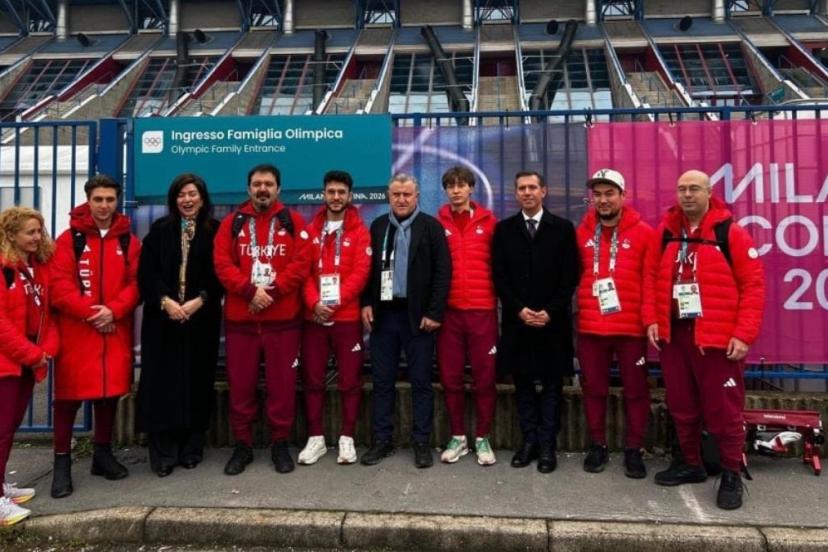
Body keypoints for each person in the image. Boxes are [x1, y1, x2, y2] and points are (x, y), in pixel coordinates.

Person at [644, 169, 765, 510]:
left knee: (724, 409)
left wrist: (743, 334)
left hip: (716, 339)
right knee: (682, 404)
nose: (687, 195)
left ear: (709, 192)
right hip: (675, 334)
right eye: (682, 188)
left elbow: (753, 286)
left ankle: (731, 472)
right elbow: (650, 276)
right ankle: (691, 462)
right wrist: (651, 319)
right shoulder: (666, 232)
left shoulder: (731, 233)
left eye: (694, 188)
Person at [213, 163, 312, 475]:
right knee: (241, 386)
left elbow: (302, 262)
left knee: (282, 386)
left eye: (268, 184)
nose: (263, 189)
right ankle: (242, 444)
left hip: (283, 320)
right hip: (242, 321)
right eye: (257, 184)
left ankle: (280, 443)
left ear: (278, 189)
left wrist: (273, 291)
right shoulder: (232, 222)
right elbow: (222, 263)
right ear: (249, 189)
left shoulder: (293, 221)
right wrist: (249, 291)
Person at [49, 174, 141, 498]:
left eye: (110, 200)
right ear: (88, 200)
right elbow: (59, 287)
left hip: (114, 329)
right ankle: (61, 462)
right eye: (98, 199)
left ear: (118, 201)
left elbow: (136, 284)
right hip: (78, 333)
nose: (104, 206)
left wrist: (113, 311)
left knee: (108, 395)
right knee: (68, 398)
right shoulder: (67, 240)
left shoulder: (129, 241)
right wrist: (94, 314)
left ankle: (102, 454)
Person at [360, 173, 451, 468]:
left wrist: (434, 312)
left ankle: (421, 442)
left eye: (407, 194)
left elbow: (442, 273)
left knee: (421, 382)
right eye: (396, 194)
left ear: (417, 197)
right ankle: (382, 440)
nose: (401, 199)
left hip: (418, 318)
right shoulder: (378, 226)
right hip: (384, 316)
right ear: (389, 196)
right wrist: (366, 302)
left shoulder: (431, 227)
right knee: (382, 381)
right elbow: (367, 270)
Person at [136, 174, 224, 477]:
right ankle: (163, 453)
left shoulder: (216, 231)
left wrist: (200, 300)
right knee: (162, 384)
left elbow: (222, 273)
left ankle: (191, 448)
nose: (187, 200)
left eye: (192, 194)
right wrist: (165, 301)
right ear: (174, 200)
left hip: (201, 319)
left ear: (203, 198)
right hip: (163, 320)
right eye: (181, 195)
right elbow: (147, 274)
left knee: (197, 381)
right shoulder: (160, 230)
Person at [492, 171, 578, 474]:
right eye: (521, 188)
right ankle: (528, 441)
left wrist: (549, 311)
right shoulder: (504, 230)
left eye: (532, 187)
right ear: (516, 194)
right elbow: (499, 276)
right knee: (523, 384)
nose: (527, 192)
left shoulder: (563, 229)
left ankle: (547, 446)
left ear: (544, 191)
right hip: (518, 322)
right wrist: (519, 309)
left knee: (552, 386)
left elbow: (570, 276)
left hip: (552, 323)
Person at [575, 169, 654, 478]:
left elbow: (651, 281)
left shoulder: (644, 233)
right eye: (597, 194)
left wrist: (650, 320)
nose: (603, 200)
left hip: (630, 328)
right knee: (594, 389)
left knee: (636, 390)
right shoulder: (581, 232)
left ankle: (634, 448)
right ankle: (598, 444)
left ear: (623, 196)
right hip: (591, 327)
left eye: (610, 193)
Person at [297, 170, 371, 466]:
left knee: (350, 381)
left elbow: (361, 273)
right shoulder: (309, 230)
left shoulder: (360, 230)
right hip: (314, 317)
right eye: (331, 192)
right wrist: (314, 303)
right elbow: (303, 271)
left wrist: (335, 301)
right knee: (312, 379)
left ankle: (347, 437)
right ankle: (315, 438)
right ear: (323, 194)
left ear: (350, 196)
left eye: (341, 192)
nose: (336, 197)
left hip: (347, 318)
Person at [435, 166, 498, 466]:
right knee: (451, 378)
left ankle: (483, 437)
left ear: (472, 188)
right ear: (446, 190)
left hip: (483, 311)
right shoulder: (437, 224)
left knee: (485, 377)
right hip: (449, 313)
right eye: (451, 186)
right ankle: (458, 436)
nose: (457, 190)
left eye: (462, 185)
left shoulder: (490, 223)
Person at [0, 207, 59, 525]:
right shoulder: (4, 269)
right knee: (1, 429)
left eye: (39, 231)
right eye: (30, 232)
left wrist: (45, 349)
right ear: (11, 235)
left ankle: (2, 486)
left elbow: (45, 312)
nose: (37, 237)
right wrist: (31, 353)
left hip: (25, 360)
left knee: (8, 427)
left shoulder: (36, 267)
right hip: (8, 362)